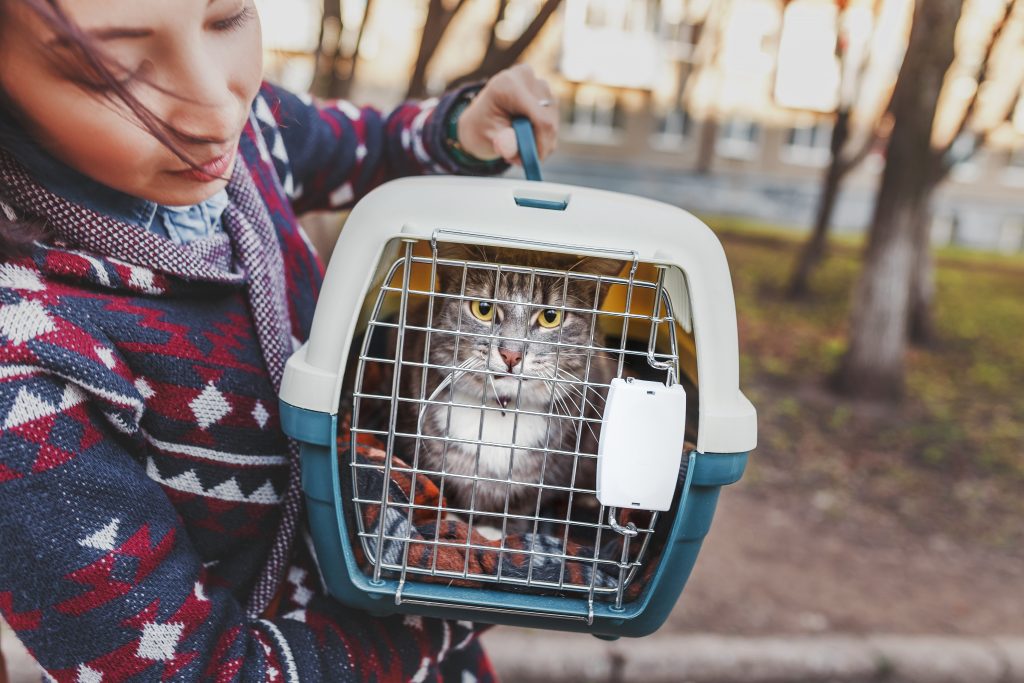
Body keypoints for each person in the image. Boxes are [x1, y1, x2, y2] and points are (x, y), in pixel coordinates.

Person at [0, 0, 559, 679]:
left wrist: (461, 131)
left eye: (228, 16)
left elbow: (365, 145)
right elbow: (209, 669)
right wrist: (479, 583)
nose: (217, 111)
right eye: (110, 68)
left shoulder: (252, 130)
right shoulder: (23, 364)